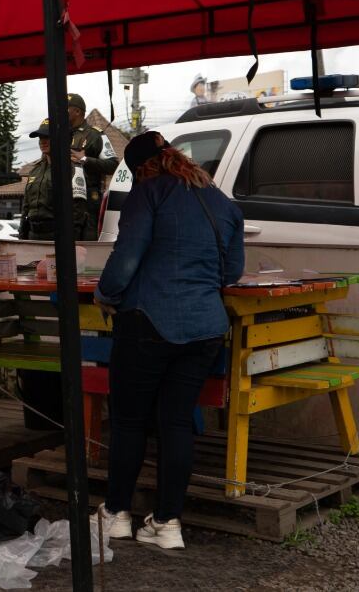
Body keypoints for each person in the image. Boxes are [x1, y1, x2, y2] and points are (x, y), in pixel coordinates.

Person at [96, 131, 244, 552]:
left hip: (149, 321)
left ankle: (116, 515)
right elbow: (231, 272)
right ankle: (167, 523)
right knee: (176, 422)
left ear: (141, 168)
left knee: (128, 420)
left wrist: (106, 293)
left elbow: (126, 259)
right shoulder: (222, 203)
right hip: (205, 328)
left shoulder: (149, 193)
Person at [19, 120, 86, 242]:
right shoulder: (35, 171)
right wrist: (22, 236)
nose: (42, 141)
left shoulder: (72, 169)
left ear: (61, 139)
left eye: (47, 137)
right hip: (32, 236)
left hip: (58, 237)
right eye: (40, 138)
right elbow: (26, 207)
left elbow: (77, 212)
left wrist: (69, 243)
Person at [67, 94, 120, 241]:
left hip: (87, 202)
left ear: (77, 111)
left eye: (66, 108)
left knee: (86, 246)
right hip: (63, 200)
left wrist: (85, 159)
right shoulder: (59, 135)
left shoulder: (95, 135)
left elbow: (113, 165)